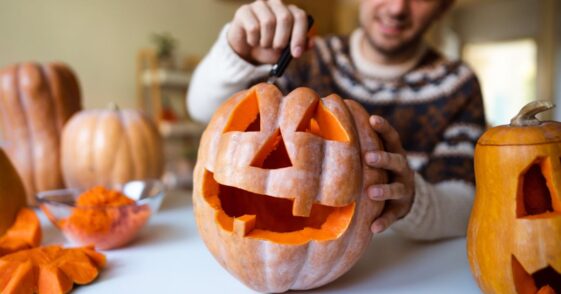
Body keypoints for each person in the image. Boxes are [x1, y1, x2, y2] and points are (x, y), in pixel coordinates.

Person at [187, 0, 486, 240]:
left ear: (444, 6)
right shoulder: (304, 56)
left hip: (404, 267)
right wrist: (238, 54)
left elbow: (465, 204)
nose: (397, 8)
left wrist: (412, 200)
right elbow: (205, 112)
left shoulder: (458, 85)